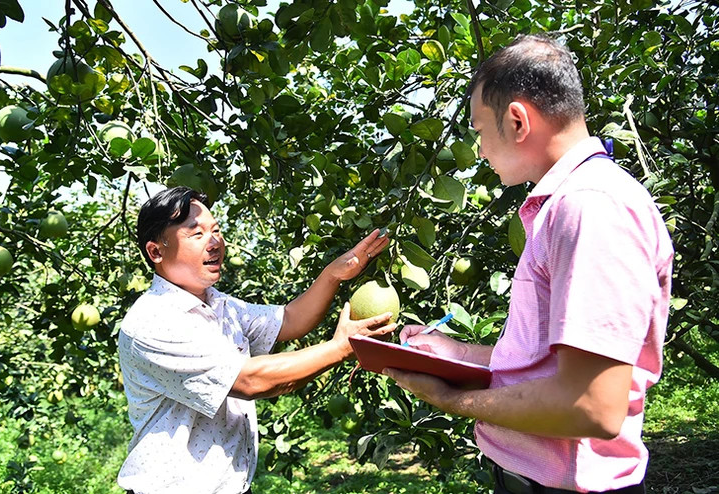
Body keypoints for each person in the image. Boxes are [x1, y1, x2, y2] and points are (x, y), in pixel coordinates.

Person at [384, 34, 673, 494]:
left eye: (480, 130)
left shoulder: (590, 208)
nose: (480, 150)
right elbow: (549, 364)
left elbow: (591, 407)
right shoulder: (566, 205)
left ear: (517, 121)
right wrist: (457, 354)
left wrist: (451, 399)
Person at [117, 186, 396, 494]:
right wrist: (341, 347)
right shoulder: (154, 320)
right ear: (156, 252)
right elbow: (250, 380)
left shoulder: (220, 306)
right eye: (197, 234)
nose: (215, 242)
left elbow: (290, 319)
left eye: (216, 230)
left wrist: (334, 274)